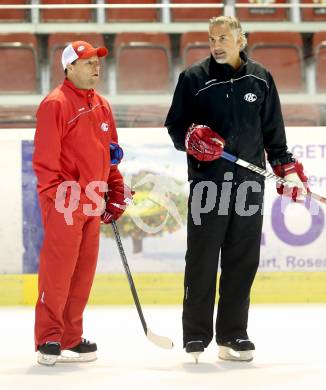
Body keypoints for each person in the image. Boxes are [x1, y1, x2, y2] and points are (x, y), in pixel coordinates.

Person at [165, 16, 309, 363]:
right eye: (212, 38)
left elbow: (274, 131)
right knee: (201, 260)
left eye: (223, 38)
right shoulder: (193, 79)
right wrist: (190, 138)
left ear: (240, 40)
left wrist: (286, 170)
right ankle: (196, 336)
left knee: (241, 261)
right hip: (207, 186)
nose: (216, 44)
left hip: (249, 185)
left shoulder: (259, 78)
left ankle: (233, 334)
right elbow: (175, 127)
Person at [33, 40, 132, 366]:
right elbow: (45, 164)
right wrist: (60, 199)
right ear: (69, 67)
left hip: (92, 201)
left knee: (82, 273)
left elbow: (111, 155)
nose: (95, 67)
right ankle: (49, 337)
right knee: (58, 272)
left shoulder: (102, 105)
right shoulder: (55, 104)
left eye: (97, 61)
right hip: (65, 201)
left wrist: (114, 189)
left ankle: (71, 338)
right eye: (87, 61)